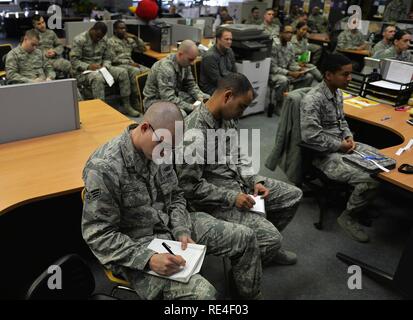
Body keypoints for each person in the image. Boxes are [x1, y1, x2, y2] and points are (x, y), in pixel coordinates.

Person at [82, 101, 263, 300]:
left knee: (246, 237)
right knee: (204, 296)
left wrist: (181, 229)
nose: (167, 153)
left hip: (173, 225)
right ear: (144, 128)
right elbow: (98, 234)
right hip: (137, 245)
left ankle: (248, 296)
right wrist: (148, 259)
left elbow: (176, 195)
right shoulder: (103, 168)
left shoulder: (162, 148)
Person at [177, 73, 303, 268]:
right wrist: (231, 197)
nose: (242, 113)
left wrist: (254, 180)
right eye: (242, 106)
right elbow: (189, 188)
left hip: (239, 183)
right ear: (227, 96)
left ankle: (263, 251)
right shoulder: (194, 132)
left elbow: (237, 154)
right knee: (271, 238)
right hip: (214, 199)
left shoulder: (228, 117)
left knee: (292, 195)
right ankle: (258, 251)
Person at [300, 54, 380, 243]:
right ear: (329, 75)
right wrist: (339, 145)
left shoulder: (337, 93)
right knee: (371, 178)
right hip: (324, 155)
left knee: (382, 160)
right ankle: (349, 215)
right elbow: (310, 136)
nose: (350, 78)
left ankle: (361, 200)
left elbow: (341, 121)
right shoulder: (313, 99)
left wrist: (348, 136)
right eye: (345, 74)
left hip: (342, 145)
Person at [70, 22, 137, 116]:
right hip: (83, 71)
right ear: (92, 30)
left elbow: (107, 57)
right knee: (97, 78)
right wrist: (88, 66)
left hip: (101, 68)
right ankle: (101, 110)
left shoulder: (103, 39)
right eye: (97, 36)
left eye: (101, 37)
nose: (99, 39)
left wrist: (105, 66)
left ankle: (126, 104)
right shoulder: (80, 40)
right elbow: (74, 61)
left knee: (122, 72)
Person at [143, 40, 209, 117]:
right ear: (180, 54)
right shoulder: (166, 68)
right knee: (181, 115)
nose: (192, 63)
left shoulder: (185, 63)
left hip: (174, 96)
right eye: (190, 59)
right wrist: (192, 107)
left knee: (208, 99)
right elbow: (168, 99)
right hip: (155, 102)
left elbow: (191, 85)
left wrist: (201, 97)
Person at [269, 24, 315, 116]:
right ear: (281, 33)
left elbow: (292, 63)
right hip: (274, 74)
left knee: (309, 76)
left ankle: (294, 101)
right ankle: (279, 104)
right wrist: (290, 73)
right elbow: (273, 68)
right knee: (283, 80)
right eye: (287, 32)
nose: (290, 35)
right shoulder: (274, 46)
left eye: (291, 32)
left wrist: (299, 69)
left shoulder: (290, 45)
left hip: (287, 72)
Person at [108, 20, 149, 116]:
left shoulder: (128, 40)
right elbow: (113, 59)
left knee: (148, 71)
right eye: (120, 28)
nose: (123, 30)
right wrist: (129, 63)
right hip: (118, 65)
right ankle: (134, 101)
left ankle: (143, 99)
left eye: (124, 28)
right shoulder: (110, 41)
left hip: (130, 64)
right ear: (115, 30)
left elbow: (143, 49)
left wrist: (135, 37)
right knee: (135, 71)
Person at [199, 27, 236, 95]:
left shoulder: (229, 51)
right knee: (236, 96)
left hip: (226, 84)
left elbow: (234, 72)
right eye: (226, 39)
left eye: (231, 39)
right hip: (212, 88)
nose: (229, 42)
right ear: (218, 39)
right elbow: (218, 81)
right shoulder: (210, 57)